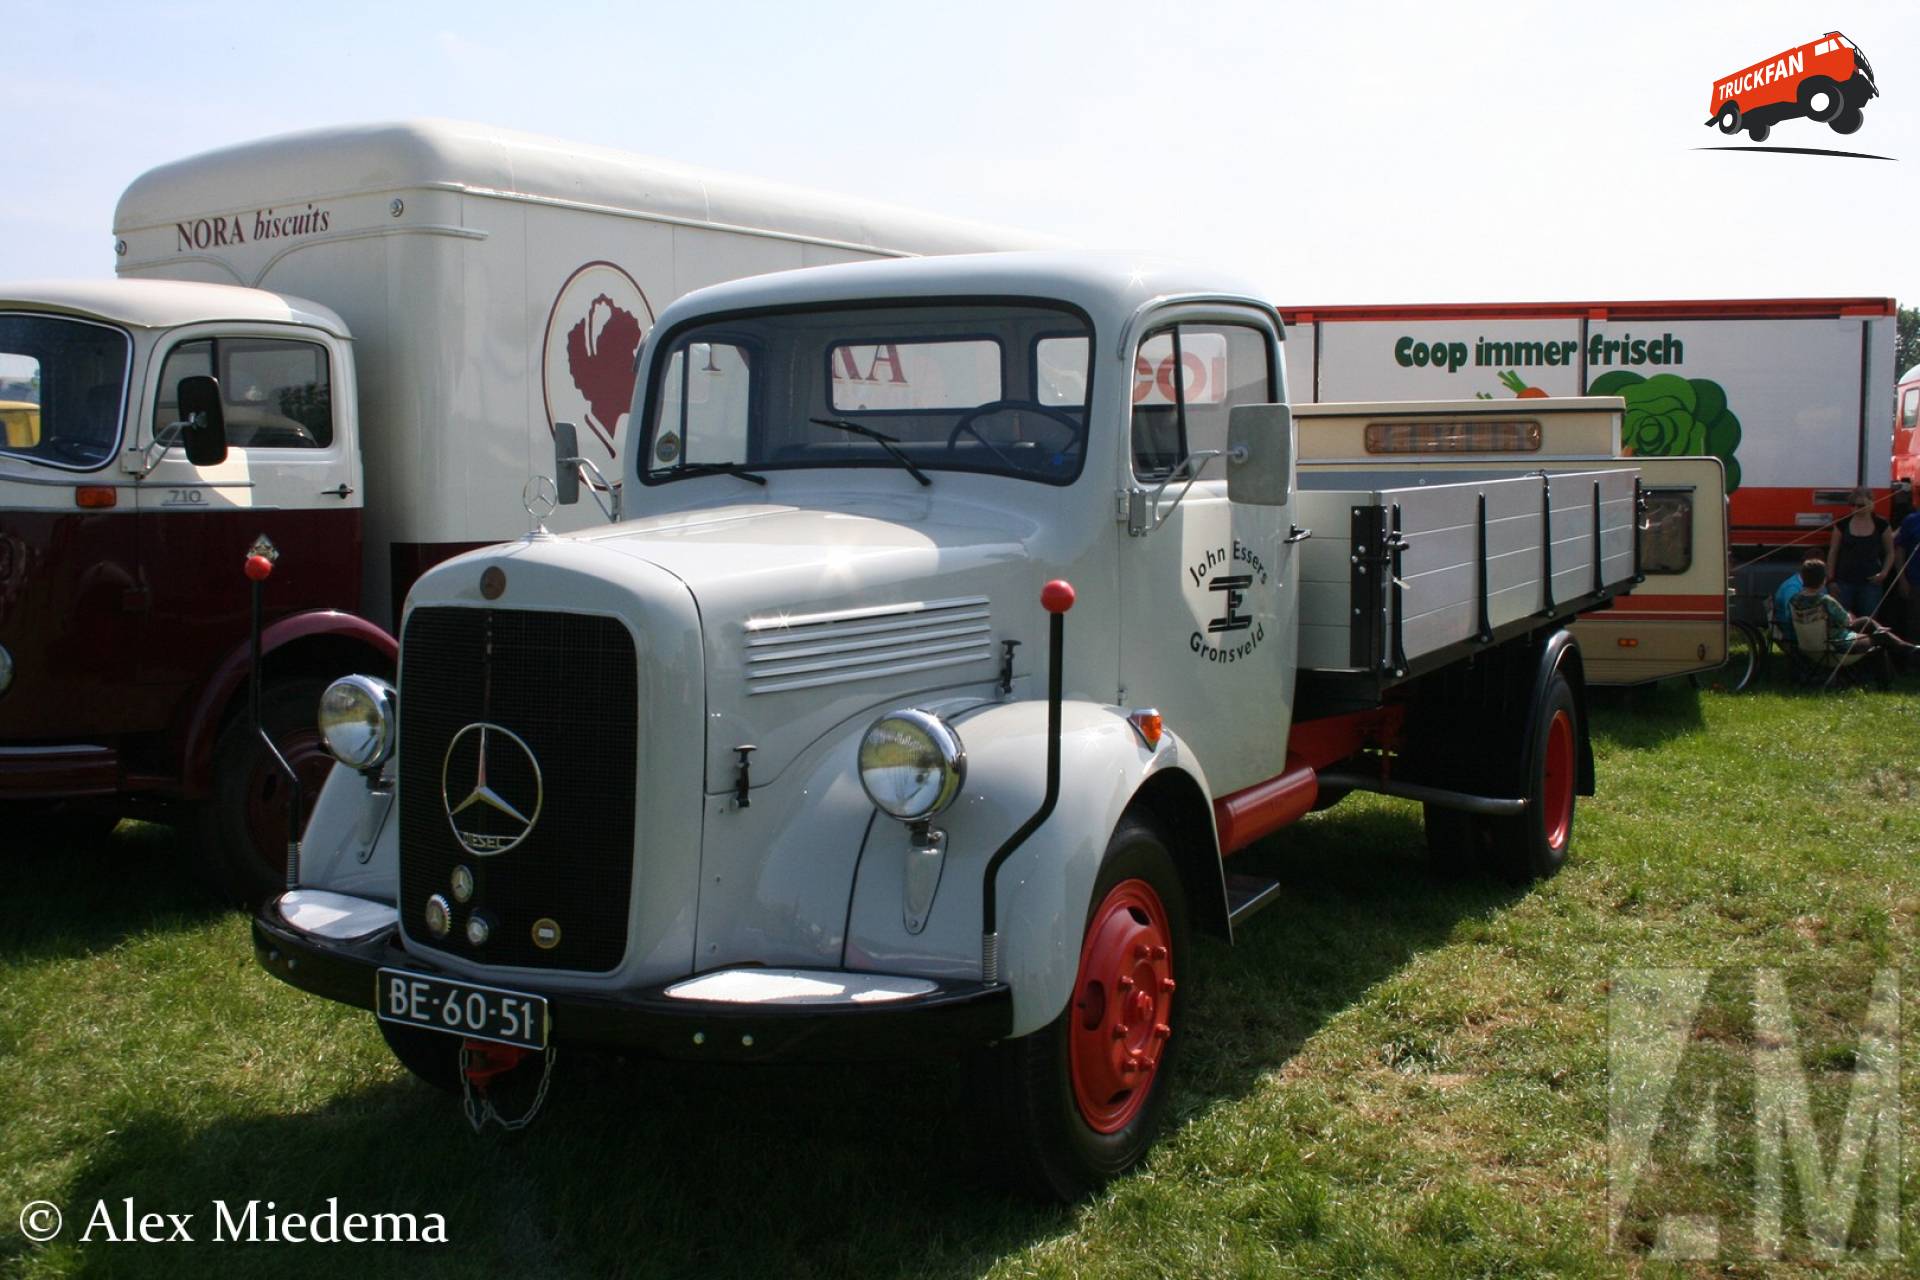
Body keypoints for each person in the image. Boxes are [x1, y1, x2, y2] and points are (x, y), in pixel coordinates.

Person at [1790, 558, 1917, 675]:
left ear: (1803, 578)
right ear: (1823, 579)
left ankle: (1903, 646)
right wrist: (1848, 616)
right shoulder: (1825, 601)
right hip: (1837, 645)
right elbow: (1846, 622)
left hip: (1808, 645)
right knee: (1879, 637)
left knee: (1866, 621)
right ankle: (1885, 680)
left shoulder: (1794, 599)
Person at [1825, 487, 1894, 619]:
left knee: (1869, 621)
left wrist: (1884, 573)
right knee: (1842, 620)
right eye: (1852, 505)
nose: (1856, 508)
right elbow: (1833, 552)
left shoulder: (1881, 524)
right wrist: (1831, 579)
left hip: (1871, 582)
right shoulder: (1842, 524)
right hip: (1844, 581)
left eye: (1860, 505)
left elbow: (1890, 552)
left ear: (1871, 503)